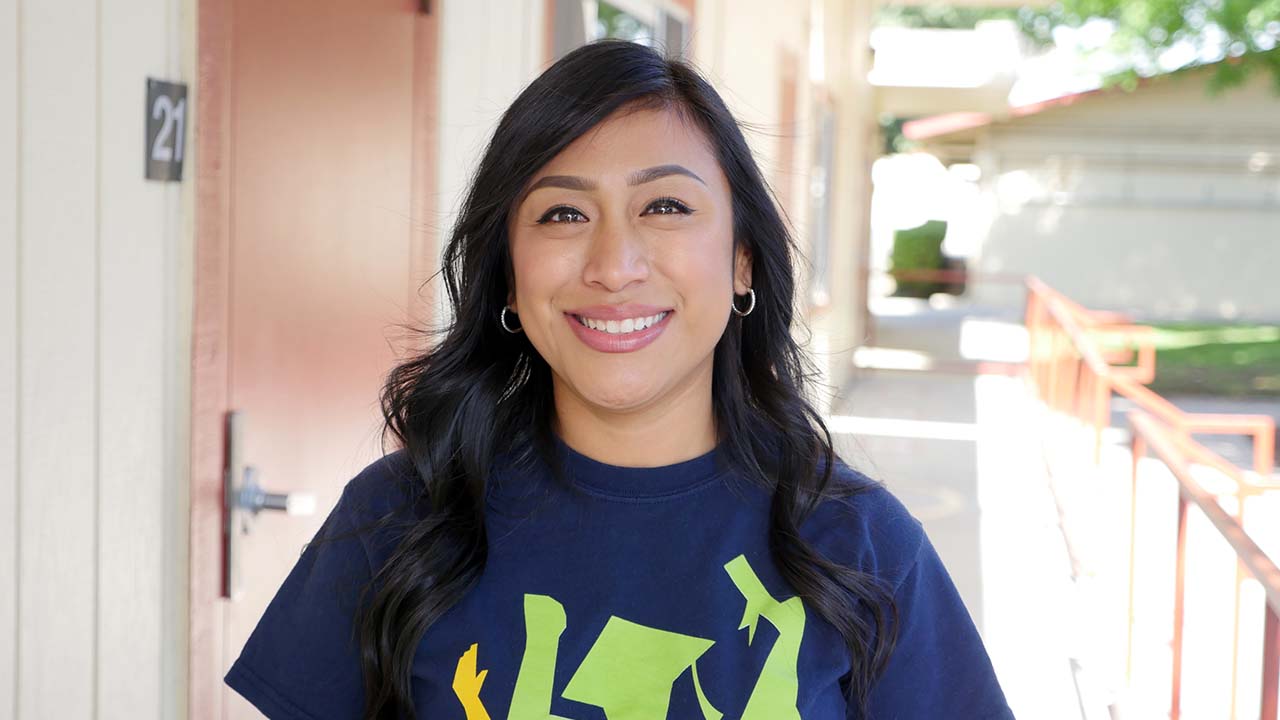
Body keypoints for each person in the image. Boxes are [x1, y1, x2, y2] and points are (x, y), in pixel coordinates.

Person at [224, 39, 1015, 720]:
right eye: (563, 214)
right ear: (508, 277)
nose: (613, 266)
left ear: (742, 260)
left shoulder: (857, 544)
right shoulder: (400, 518)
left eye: (665, 206)